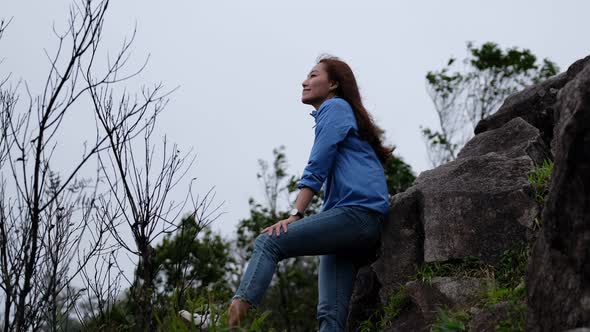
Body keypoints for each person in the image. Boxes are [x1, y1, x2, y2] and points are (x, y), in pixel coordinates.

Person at [228, 56, 392, 331]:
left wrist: (295, 214)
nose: (305, 81)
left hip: (357, 215)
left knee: (269, 242)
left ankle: (228, 324)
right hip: (356, 225)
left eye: (313, 75)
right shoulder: (342, 113)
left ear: (333, 84)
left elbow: (319, 162)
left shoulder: (335, 107)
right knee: (330, 316)